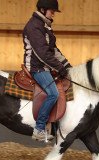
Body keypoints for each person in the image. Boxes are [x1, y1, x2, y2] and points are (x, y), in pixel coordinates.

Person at [23, 0, 72, 142]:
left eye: (54, 12)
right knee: (53, 94)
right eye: (52, 11)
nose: (54, 15)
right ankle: (39, 128)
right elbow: (42, 54)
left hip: (45, 66)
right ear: (43, 9)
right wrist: (59, 68)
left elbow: (54, 51)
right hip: (36, 68)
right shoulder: (34, 26)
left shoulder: (45, 26)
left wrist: (68, 67)